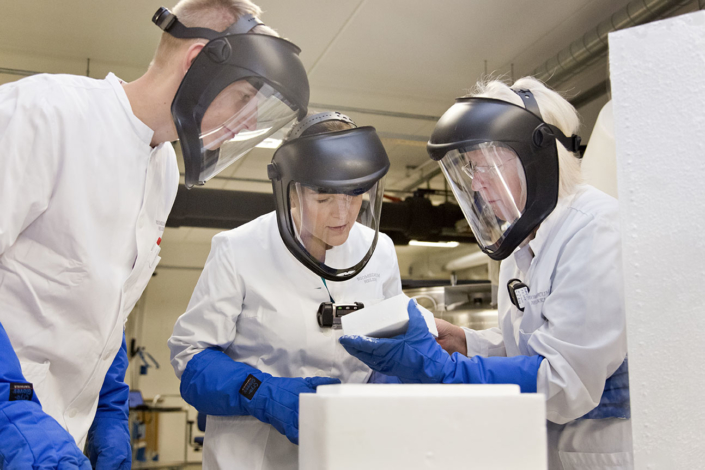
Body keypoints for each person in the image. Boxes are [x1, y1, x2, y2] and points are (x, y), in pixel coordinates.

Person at [0, 1, 310, 468]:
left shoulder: (161, 166)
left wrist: (106, 409)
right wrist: (9, 405)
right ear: (197, 63)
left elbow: (107, 308)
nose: (247, 121)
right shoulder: (44, 113)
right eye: (245, 96)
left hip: (61, 437)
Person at [340, 77, 632, 470]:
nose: (476, 185)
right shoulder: (522, 235)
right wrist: (464, 342)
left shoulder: (596, 229)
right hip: (544, 447)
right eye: (472, 170)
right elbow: (530, 345)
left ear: (538, 158)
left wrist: (446, 372)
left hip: (602, 452)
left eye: (486, 166)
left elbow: (566, 383)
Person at [168, 111, 403, 470]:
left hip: (350, 448)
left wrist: (391, 377)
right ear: (291, 190)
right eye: (324, 199)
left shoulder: (380, 250)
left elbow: (389, 340)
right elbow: (191, 358)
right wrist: (260, 393)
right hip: (252, 455)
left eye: (355, 195)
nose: (343, 213)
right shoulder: (239, 249)